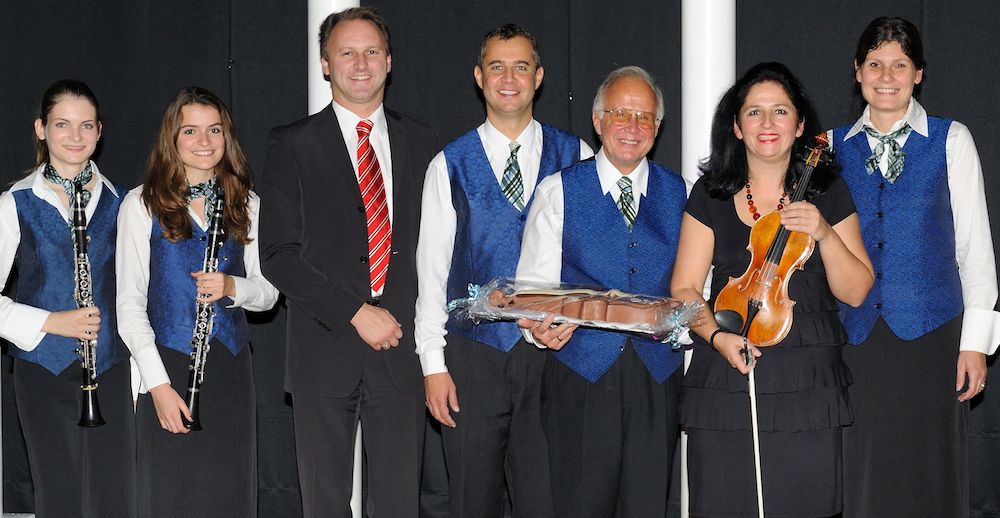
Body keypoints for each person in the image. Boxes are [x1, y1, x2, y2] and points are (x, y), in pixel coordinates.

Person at [670, 62, 874, 518]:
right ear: (736, 126)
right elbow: (684, 288)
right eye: (754, 112)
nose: (767, 123)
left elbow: (857, 291)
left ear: (799, 125)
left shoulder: (827, 191)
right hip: (726, 372)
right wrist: (718, 338)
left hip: (808, 383)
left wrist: (824, 233)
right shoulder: (710, 194)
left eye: (780, 111)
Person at [258, 7, 439, 517]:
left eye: (372, 51)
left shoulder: (423, 141)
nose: (361, 64)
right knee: (324, 505)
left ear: (389, 61)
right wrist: (356, 312)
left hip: (402, 354)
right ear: (325, 64)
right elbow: (277, 255)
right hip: (323, 350)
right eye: (347, 53)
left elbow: (436, 248)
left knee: (399, 505)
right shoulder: (291, 143)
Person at [414, 23, 592, 518]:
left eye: (520, 67)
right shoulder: (448, 164)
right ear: (479, 77)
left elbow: (590, 263)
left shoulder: (577, 156)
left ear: (539, 76)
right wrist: (433, 366)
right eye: (497, 67)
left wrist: (574, 322)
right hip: (473, 357)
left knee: (549, 501)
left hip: (553, 355)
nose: (508, 78)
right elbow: (431, 272)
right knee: (471, 502)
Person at [831, 16, 1000, 517]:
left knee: (931, 473)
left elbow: (975, 247)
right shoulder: (828, 147)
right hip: (856, 337)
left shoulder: (952, 140)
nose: (887, 77)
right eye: (875, 64)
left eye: (900, 65)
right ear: (857, 71)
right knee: (861, 474)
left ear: (919, 73)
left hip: (932, 335)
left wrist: (975, 343)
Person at [515, 66, 686, 518]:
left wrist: (684, 329)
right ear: (597, 120)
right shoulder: (558, 191)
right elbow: (534, 290)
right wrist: (538, 331)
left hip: (657, 377)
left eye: (644, 117)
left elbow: (697, 287)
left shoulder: (681, 193)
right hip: (581, 375)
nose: (632, 126)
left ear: (657, 127)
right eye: (620, 114)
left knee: (649, 506)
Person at [116, 86, 278, 517]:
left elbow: (268, 294)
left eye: (214, 130)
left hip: (229, 366)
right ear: (172, 138)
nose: (204, 141)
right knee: (170, 494)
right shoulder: (141, 203)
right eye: (190, 131)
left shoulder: (247, 202)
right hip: (166, 365)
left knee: (227, 494)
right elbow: (129, 306)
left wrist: (232, 287)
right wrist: (158, 386)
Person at [0, 79, 135, 518]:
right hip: (44, 367)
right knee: (59, 494)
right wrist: (49, 321)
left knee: (115, 494)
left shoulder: (125, 202)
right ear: (41, 129)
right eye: (62, 124)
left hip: (112, 366)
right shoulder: (15, 202)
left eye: (86, 125)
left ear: (100, 132)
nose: (75, 136)